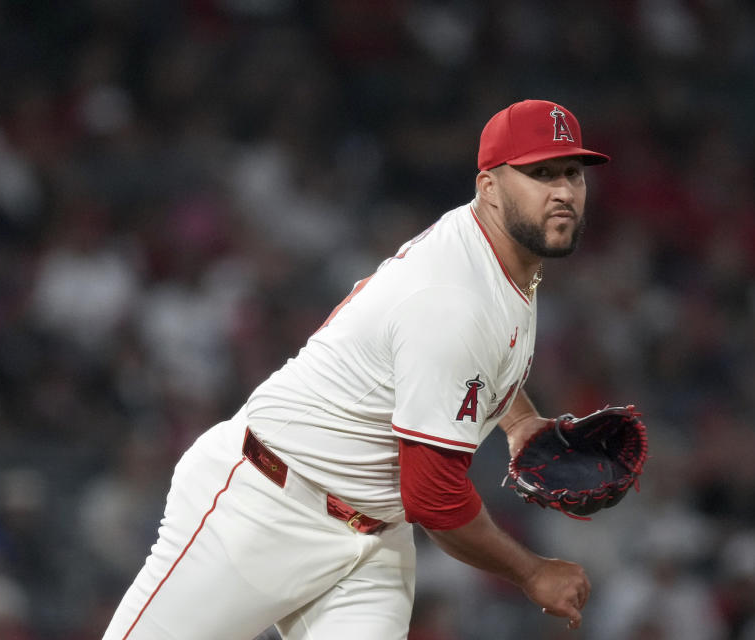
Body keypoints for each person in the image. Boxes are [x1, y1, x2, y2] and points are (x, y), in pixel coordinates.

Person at [102, 99, 611, 639]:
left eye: (572, 174)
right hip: (265, 503)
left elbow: (482, 359)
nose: (562, 192)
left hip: (371, 546)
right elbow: (434, 499)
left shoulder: (497, 251)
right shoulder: (452, 297)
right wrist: (532, 573)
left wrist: (520, 423)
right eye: (539, 173)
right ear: (489, 186)